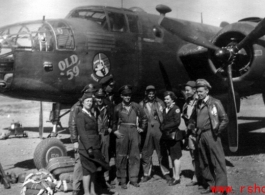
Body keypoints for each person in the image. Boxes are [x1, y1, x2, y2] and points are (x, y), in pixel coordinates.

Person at [192, 79, 229, 194]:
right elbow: (193, 119)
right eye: (197, 92)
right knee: (204, 162)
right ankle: (211, 185)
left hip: (212, 134)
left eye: (201, 91)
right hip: (200, 135)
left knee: (218, 162)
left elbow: (224, 119)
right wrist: (192, 127)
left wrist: (216, 132)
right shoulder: (198, 104)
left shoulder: (215, 102)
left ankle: (221, 188)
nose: (199, 94)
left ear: (207, 91)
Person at [112, 85, 147, 189]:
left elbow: (144, 118)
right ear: (121, 96)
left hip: (133, 130)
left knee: (135, 155)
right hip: (122, 131)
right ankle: (122, 180)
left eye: (129, 95)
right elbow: (113, 122)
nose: (128, 97)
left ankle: (133, 179)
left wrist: (142, 128)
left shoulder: (136, 106)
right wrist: (115, 131)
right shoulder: (117, 108)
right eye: (125, 95)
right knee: (121, 155)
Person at [76, 92, 109, 195]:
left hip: (95, 147)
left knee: (93, 170)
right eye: (87, 101)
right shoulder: (80, 115)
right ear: (83, 102)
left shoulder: (90, 114)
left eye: (91, 101)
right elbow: (82, 133)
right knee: (87, 171)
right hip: (86, 148)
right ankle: (86, 193)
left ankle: (93, 191)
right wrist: (89, 147)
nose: (89, 103)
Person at [139, 85, 172, 183]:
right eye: (149, 92)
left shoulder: (160, 102)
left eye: (152, 92)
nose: (151, 94)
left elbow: (166, 115)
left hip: (158, 128)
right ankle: (146, 173)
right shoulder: (141, 104)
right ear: (146, 93)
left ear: (155, 93)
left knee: (162, 151)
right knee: (146, 152)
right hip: (147, 128)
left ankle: (166, 172)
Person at [68, 84, 96, 195]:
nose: (92, 95)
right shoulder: (77, 107)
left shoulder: (90, 105)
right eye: (89, 92)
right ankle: (76, 189)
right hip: (80, 140)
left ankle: (88, 189)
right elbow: (72, 124)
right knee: (79, 164)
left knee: (88, 165)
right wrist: (74, 141)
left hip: (89, 140)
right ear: (84, 93)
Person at [182, 81, 203, 188]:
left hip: (200, 133)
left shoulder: (201, 101)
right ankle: (196, 177)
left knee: (203, 156)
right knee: (194, 157)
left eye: (188, 90)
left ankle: (207, 179)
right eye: (185, 90)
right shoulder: (187, 102)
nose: (186, 92)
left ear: (194, 90)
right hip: (190, 134)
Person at [160, 91, 182, 186]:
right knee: (172, 157)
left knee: (176, 157)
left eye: (168, 99)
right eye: (165, 99)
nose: (166, 101)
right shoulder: (166, 109)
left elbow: (177, 122)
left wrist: (164, 127)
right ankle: (174, 176)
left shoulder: (176, 109)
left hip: (174, 136)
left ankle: (177, 177)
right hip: (168, 136)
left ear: (172, 99)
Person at [94, 88, 115, 189]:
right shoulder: (92, 108)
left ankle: (106, 180)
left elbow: (114, 118)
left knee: (106, 157)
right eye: (98, 97)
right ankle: (97, 180)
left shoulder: (108, 107)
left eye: (101, 97)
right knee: (96, 157)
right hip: (96, 135)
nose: (100, 99)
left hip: (105, 135)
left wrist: (111, 128)